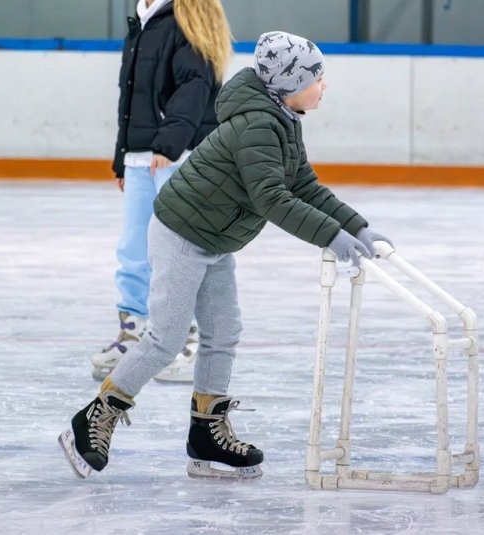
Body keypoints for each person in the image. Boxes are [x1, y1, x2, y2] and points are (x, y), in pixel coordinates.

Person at [61, 31, 393, 480]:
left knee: (224, 331)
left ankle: (206, 433)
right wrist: (331, 237)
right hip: (182, 233)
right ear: (289, 83)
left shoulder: (281, 118)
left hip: (215, 239)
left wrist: (356, 226)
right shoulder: (258, 125)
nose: (323, 85)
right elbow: (273, 198)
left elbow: (304, 185)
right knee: (167, 337)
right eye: (316, 78)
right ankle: (95, 416)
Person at [89, 0, 233, 383]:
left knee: (178, 253)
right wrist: (122, 156)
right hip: (141, 157)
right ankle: (134, 330)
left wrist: (167, 144)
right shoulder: (142, 21)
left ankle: (185, 337)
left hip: (178, 156)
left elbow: (195, 85)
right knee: (134, 250)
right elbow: (130, 97)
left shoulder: (186, 16)